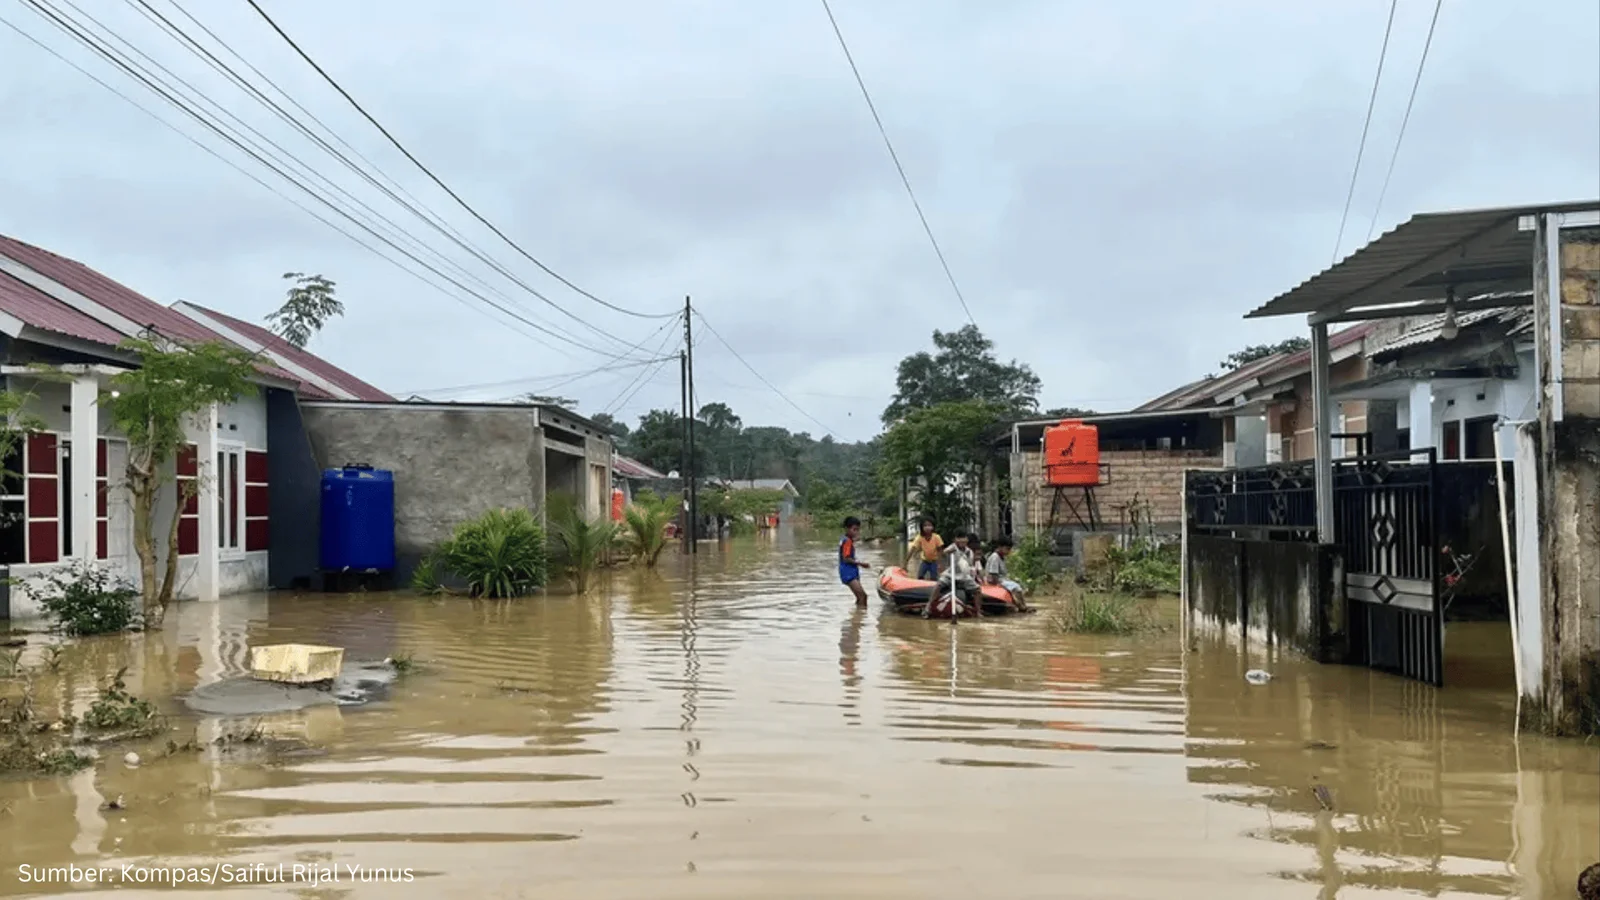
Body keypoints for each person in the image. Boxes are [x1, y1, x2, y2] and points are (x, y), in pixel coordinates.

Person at [935, 531, 982, 618]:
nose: (962, 540)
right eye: (959, 538)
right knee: (938, 585)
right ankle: (928, 606)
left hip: (963, 576)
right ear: (955, 539)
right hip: (951, 574)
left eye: (964, 538)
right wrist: (947, 552)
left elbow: (969, 566)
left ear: (967, 540)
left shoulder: (969, 552)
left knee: (978, 590)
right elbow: (943, 553)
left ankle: (978, 611)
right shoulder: (952, 547)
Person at [984, 537, 1030, 612]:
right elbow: (993, 574)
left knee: (1018, 583)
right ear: (1000, 547)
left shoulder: (1001, 557)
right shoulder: (995, 557)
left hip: (1001, 579)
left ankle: (1023, 604)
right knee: (1016, 586)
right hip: (995, 581)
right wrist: (1000, 585)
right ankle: (1021, 606)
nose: (1009, 551)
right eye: (1007, 549)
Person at [838, 516, 872, 607]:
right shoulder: (847, 541)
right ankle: (860, 618)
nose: (856, 532)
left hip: (847, 570)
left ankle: (857, 615)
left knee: (859, 597)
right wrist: (861, 564)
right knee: (863, 596)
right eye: (854, 529)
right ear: (847, 528)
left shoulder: (844, 539)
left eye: (858, 530)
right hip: (848, 572)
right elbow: (846, 558)